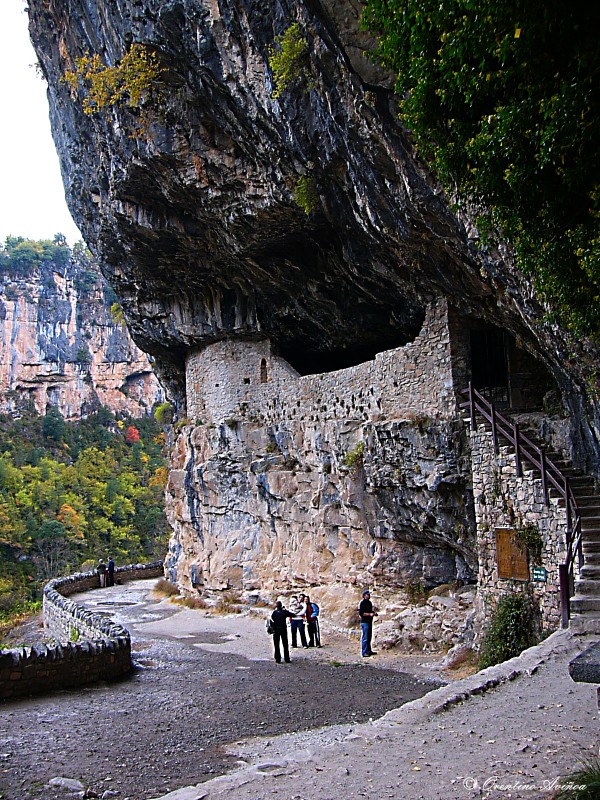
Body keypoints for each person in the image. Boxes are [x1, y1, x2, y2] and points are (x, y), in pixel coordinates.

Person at [358, 589, 377, 657]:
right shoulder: (362, 603)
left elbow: (370, 611)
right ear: (364, 596)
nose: (368, 596)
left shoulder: (369, 603)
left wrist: (373, 613)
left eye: (369, 594)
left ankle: (369, 650)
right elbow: (361, 613)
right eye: (367, 594)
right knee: (365, 637)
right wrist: (369, 614)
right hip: (365, 622)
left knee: (369, 637)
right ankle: (364, 652)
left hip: (369, 622)